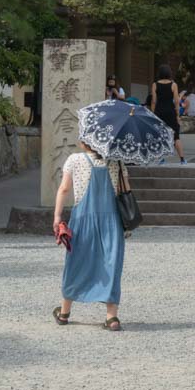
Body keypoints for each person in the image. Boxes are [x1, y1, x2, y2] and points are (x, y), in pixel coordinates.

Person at [52, 141, 126, 331]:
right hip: (111, 221)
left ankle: (65, 312)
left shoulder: (74, 160)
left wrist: (57, 217)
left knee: (76, 262)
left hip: (83, 220)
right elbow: (123, 191)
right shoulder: (117, 162)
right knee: (111, 265)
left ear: (85, 142)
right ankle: (112, 317)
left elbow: (64, 189)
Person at [149, 66, 186, 164]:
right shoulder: (173, 85)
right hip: (170, 111)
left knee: (160, 135)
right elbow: (177, 101)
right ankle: (182, 159)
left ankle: (162, 159)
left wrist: (153, 114)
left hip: (159, 111)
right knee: (176, 136)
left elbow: (153, 101)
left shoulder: (155, 84)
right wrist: (177, 114)